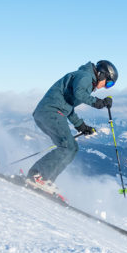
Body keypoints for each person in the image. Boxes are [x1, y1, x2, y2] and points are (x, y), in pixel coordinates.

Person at [26, 60, 118, 195]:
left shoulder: (84, 78)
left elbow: (68, 106)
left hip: (48, 112)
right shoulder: (85, 77)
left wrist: (80, 125)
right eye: (108, 83)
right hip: (51, 112)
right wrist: (99, 102)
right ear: (102, 75)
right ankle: (37, 175)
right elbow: (79, 94)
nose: (106, 87)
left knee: (72, 148)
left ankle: (45, 180)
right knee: (67, 147)